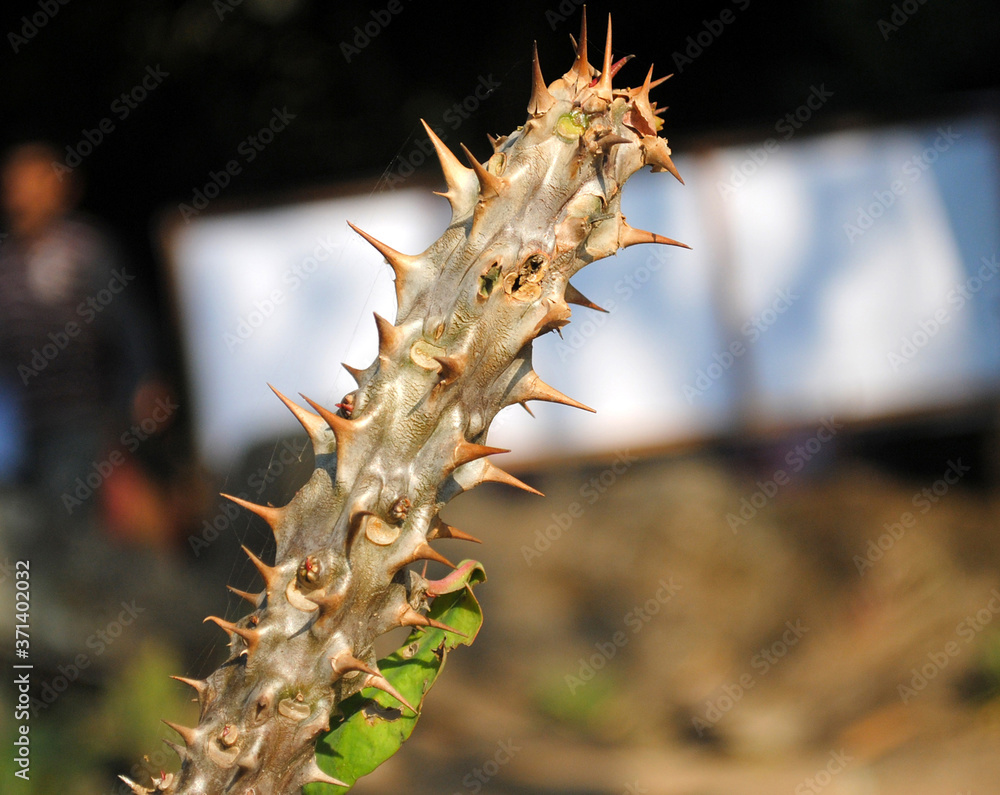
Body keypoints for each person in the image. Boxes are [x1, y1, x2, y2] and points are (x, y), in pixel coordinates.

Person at [0, 142, 160, 530]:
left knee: (78, 511)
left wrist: (145, 382)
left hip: (90, 415)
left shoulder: (86, 249)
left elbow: (126, 322)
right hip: (29, 424)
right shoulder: (7, 263)